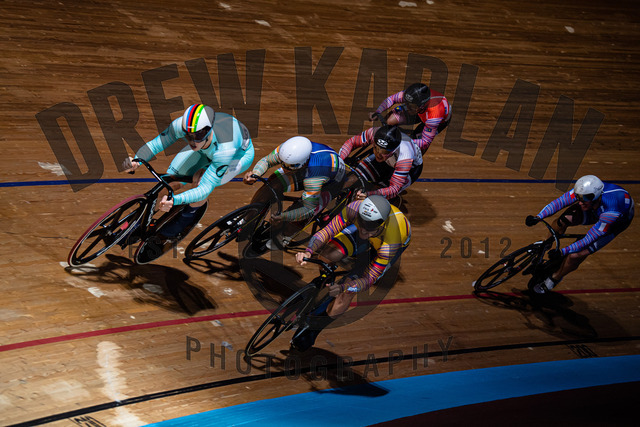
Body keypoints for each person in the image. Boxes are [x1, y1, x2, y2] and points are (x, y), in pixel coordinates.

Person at [292, 195, 411, 351]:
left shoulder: (391, 241)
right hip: (373, 234)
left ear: (381, 225)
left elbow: (368, 280)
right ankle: (323, 284)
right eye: (361, 225)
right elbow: (327, 231)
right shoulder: (354, 209)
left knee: (348, 291)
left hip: (386, 243)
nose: (363, 231)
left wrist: (344, 288)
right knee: (326, 255)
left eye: (368, 228)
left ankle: (315, 328)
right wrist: (308, 251)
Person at [123, 103, 254, 241]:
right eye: (188, 135)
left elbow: (205, 188)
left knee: (199, 181)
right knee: (169, 182)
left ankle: (180, 224)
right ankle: (137, 222)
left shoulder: (225, 150)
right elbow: (157, 144)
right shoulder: (183, 126)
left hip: (236, 158)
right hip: (206, 149)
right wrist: (136, 160)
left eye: (197, 135)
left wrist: (175, 200)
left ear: (208, 130)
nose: (192, 141)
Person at [526, 175, 634, 294]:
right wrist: (538, 217)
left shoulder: (611, 211)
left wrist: (562, 252)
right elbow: (560, 202)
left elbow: (588, 238)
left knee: (575, 255)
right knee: (562, 221)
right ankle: (545, 247)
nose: (580, 202)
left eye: (583, 200)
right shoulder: (586, 191)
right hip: (595, 208)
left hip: (614, 223)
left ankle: (554, 279)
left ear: (596, 197)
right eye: (578, 198)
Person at [243, 136, 346, 248]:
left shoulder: (315, 176)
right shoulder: (287, 150)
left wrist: (284, 216)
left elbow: (308, 209)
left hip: (329, 182)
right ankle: (248, 218)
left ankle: (286, 235)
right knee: (272, 184)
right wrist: (255, 174)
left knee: (301, 209)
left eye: (289, 167)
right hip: (305, 169)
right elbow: (267, 161)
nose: (284, 168)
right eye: (283, 163)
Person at [339, 124, 423, 202]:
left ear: (394, 150)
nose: (378, 154)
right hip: (388, 160)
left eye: (384, 151)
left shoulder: (405, 155)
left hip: (411, 169)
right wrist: (340, 159)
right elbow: (351, 142)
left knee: (374, 196)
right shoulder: (374, 133)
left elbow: (394, 189)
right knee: (353, 177)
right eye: (376, 148)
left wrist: (369, 194)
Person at [369, 82, 451, 155]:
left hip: (437, 120)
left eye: (411, 106)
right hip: (419, 112)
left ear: (422, 106)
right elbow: (392, 99)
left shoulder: (434, 116)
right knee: (389, 120)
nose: (407, 108)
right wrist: (378, 111)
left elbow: (425, 142)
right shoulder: (411, 95)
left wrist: (400, 142)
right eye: (406, 103)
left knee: (417, 150)